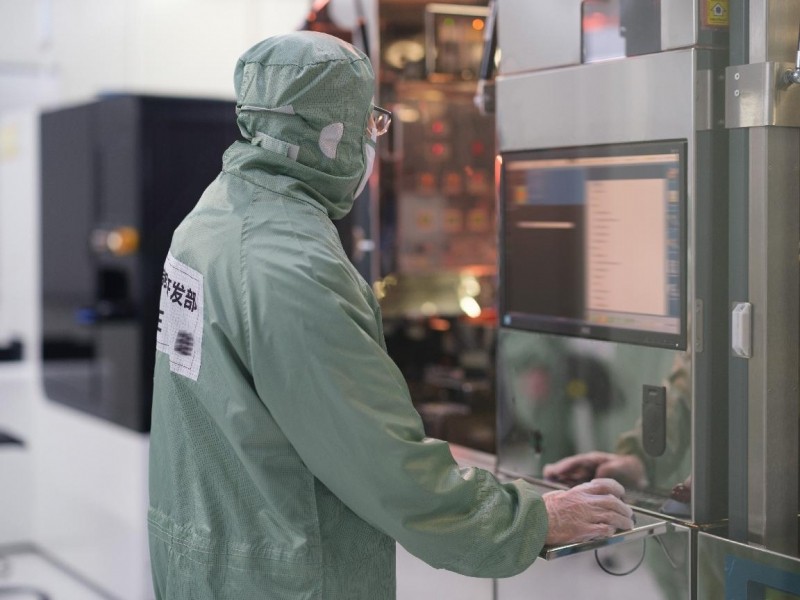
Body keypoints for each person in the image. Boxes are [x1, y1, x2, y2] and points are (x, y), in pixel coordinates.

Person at [147, 31, 634, 599]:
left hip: (215, 558)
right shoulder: (291, 263)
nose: (371, 142)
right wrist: (529, 519)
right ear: (329, 133)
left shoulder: (211, 221)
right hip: (286, 576)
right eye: (370, 124)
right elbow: (380, 460)